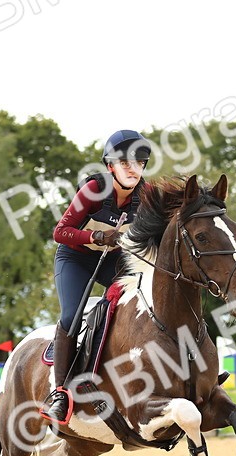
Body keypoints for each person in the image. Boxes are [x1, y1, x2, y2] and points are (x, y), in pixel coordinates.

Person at [40, 129, 152, 424]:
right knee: (72, 315)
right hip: (75, 258)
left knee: (146, 296)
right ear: (110, 166)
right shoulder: (93, 189)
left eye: (139, 162)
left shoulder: (146, 197)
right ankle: (61, 392)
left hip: (112, 260)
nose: (133, 168)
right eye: (125, 162)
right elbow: (60, 232)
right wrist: (98, 235)